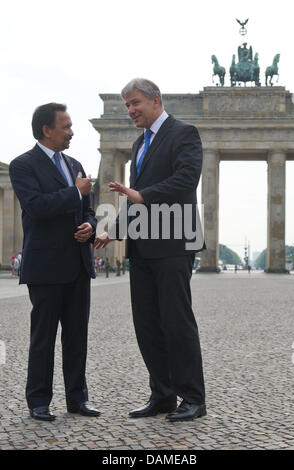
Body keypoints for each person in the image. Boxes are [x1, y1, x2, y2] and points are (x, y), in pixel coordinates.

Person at [94, 78, 206, 422]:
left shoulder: (183, 133)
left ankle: (194, 398)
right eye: (127, 105)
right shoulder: (138, 143)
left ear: (156, 100)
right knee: (146, 323)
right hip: (142, 246)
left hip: (174, 242)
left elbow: (187, 180)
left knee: (176, 321)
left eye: (135, 103)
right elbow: (134, 197)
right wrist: (113, 230)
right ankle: (162, 395)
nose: (130, 110)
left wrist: (143, 195)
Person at [9, 103, 100, 421]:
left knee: (77, 337)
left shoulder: (75, 163)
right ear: (46, 129)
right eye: (66, 126)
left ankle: (78, 400)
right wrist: (75, 193)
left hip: (77, 264)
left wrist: (90, 226)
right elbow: (36, 207)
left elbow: (86, 209)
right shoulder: (23, 165)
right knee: (43, 337)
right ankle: (39, 401)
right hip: (46, 266)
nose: (72, 131)